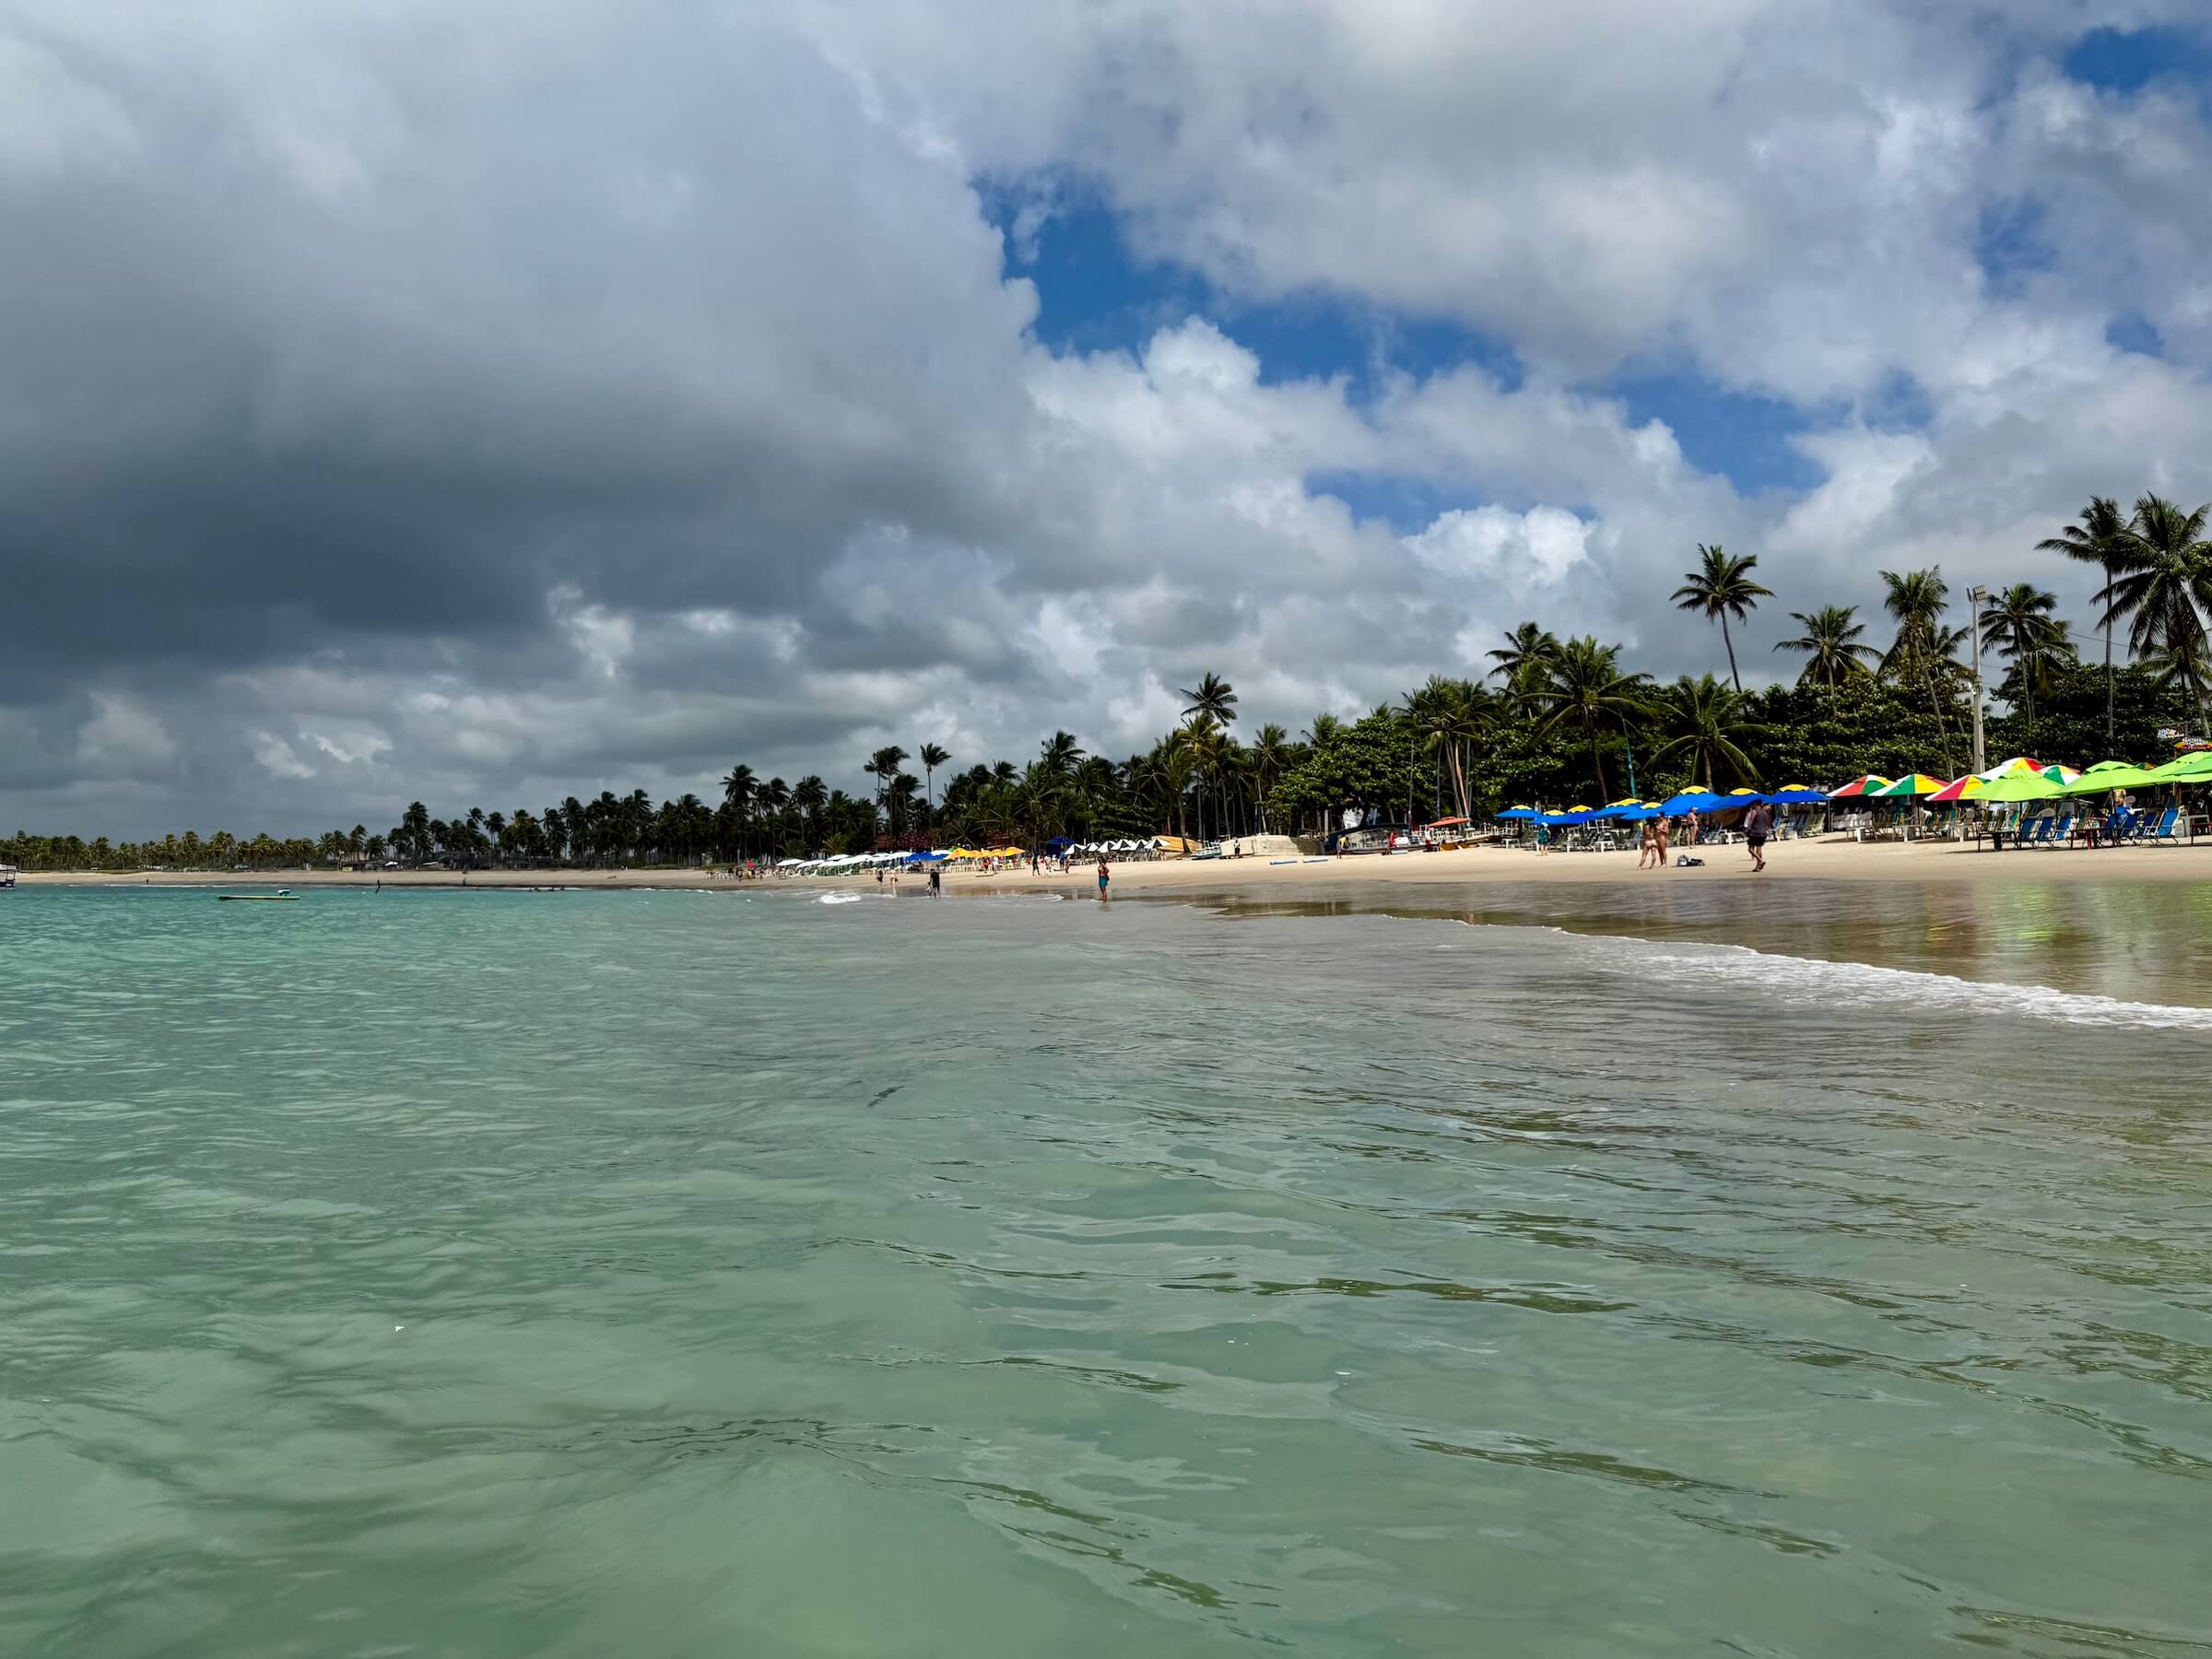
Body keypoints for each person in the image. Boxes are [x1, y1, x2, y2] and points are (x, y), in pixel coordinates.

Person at [1744, 799, 1774, 873]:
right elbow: (1768, 823)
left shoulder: (1754, 811)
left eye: (1753, 804)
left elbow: (1750, 822)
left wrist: (1747, 830)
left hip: (1755, 832)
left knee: (1750, 849)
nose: (1753, 806)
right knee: (1759, 849)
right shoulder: (1765, 812)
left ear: (1756, 804)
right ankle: (1758, 867)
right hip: (1763, 833)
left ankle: (1760, 860)